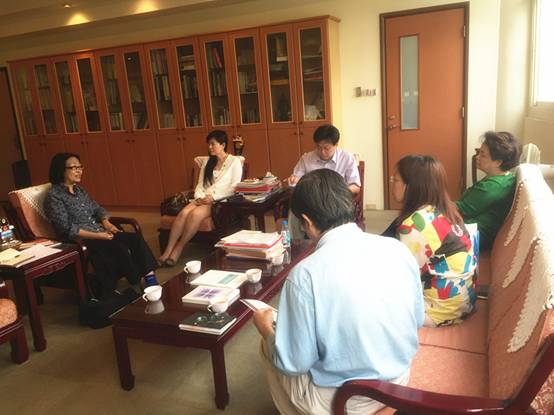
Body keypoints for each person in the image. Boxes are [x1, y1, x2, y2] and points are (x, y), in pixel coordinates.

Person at [253, 169, 424, 415]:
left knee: (269, 344)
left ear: (307, 222)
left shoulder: (304, 275)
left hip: (348, 400)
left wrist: (266, 329)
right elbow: (417, 320)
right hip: (398, 381)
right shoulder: (397, 249)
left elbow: (293, 364)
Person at [44, 153, 158, 298]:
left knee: (135, 239)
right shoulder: (54, 196)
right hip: (83, 239)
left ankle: (150, 278)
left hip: (100, 231)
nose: (79, 171)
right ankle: (138, 281)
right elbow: (65, 228)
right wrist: (98, 235)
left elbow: (97, 208)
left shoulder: (79, 190)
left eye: (80, 167)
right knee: (119, 247)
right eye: (74, 167)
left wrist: (106, 222)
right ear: (61, 170)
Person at [392, 155, 477, 327]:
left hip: (438, 312)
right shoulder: (447, 211)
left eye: (396, 179)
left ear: (410, 187)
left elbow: (401, 278)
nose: (392, 183)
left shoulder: (415, 226)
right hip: (463, 303)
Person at [158, 130, 242, 266]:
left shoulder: (234, 162)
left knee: (194, 214)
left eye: (213, 144)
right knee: (183, 214)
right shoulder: (207, 162)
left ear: (223, 145)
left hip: (218, 201)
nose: (210, 147)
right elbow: (200, 184)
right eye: (208, 144)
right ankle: (167, 251)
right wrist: (199, 197)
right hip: (202, 198)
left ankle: (178, 248)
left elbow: (234, 187)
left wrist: (213, 197)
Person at [286, 124, 361, 239]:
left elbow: (355, 186)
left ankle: (332, 240)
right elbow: (296, 179)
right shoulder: (306, 158)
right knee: (294, 205)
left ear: (336, 145)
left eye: (327, 148)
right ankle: (297, 241)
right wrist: (294, 180)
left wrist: (335, 192)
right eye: (318, 147)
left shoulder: (347, 158)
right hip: (311, 199)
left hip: (335, 200)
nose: (322, 151)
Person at [456, 131, 522, 251]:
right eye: (479, 152)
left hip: (469, 237)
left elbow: (460, 211)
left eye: (483, 154)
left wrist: (435, 201)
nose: (477, 157)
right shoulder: (506, 177)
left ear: (498, 162)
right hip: (472, 232)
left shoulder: (492, 187)